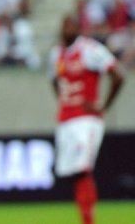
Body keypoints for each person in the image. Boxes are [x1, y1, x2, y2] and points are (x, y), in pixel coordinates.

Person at [48, 15, 124, 224]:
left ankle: (88, 221)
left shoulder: (90, 50)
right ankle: (85, 216)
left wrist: (104, 106)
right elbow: (53, 79)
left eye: (71, 25)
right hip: (66, 119)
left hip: (87, 119)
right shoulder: (56, 54)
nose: (67, 29)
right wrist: (63, 101)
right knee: (72, 173)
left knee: (83, 169)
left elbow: (118, 75)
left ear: (79, 29)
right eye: (64, 25)